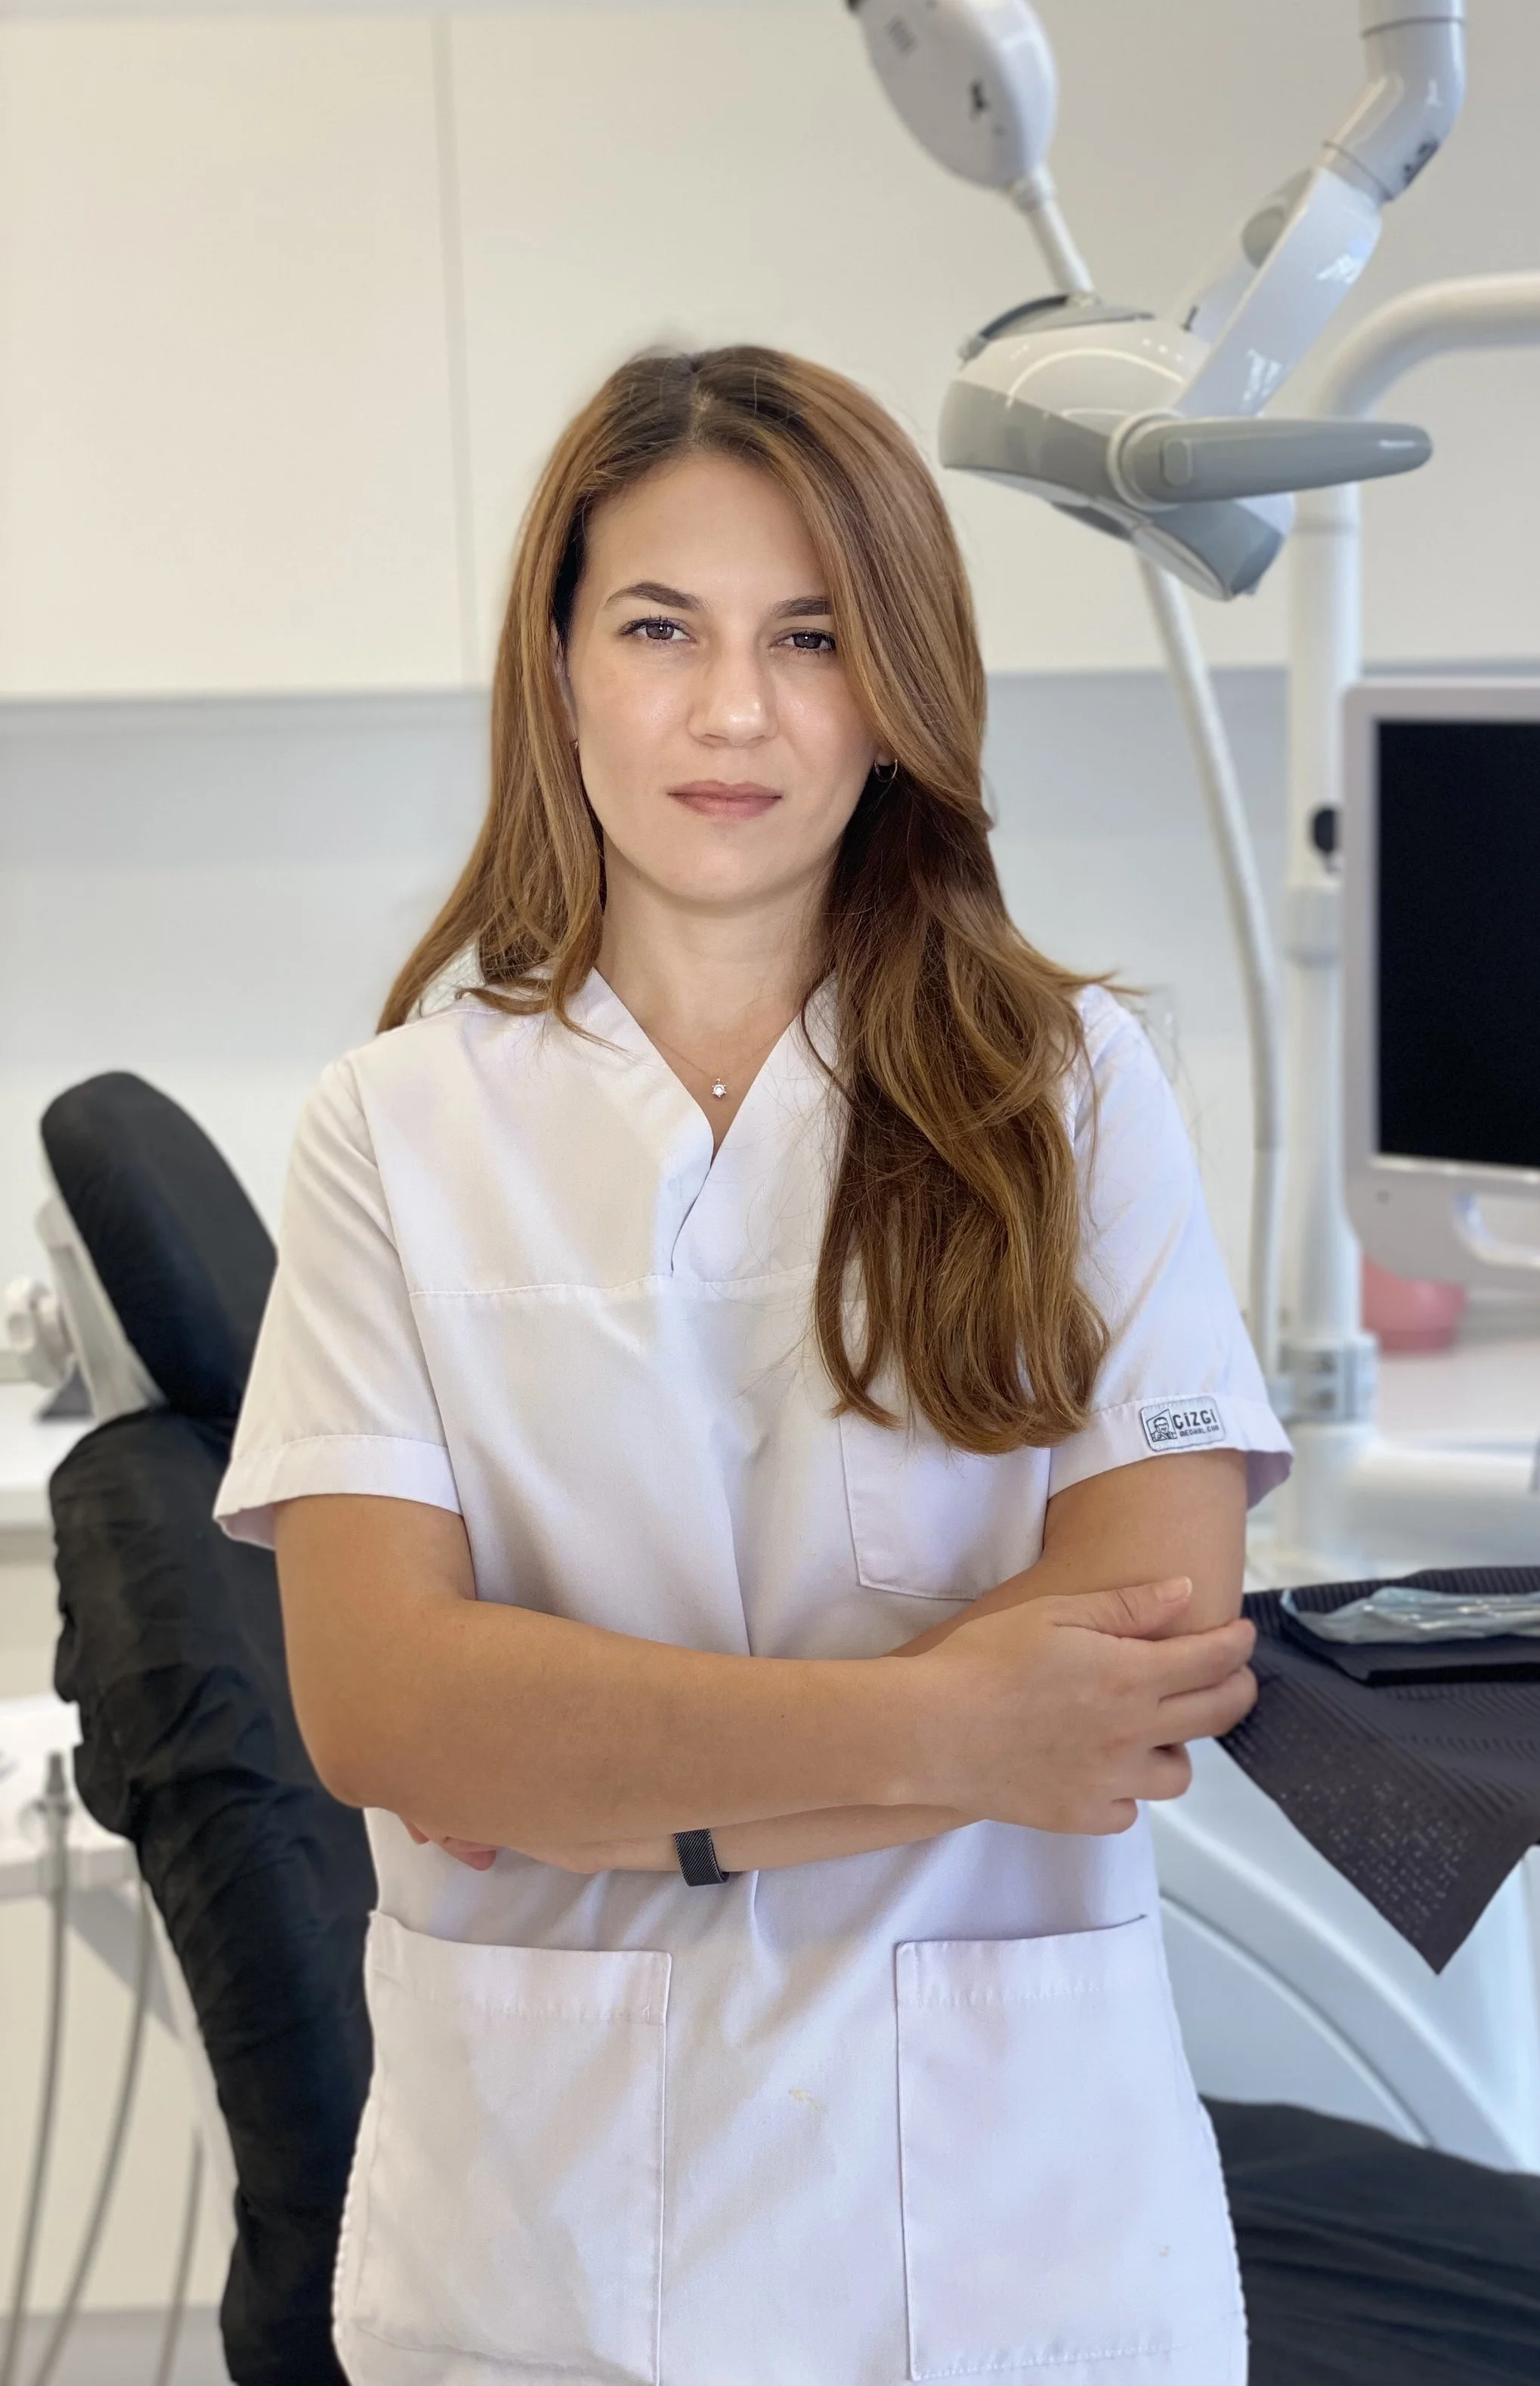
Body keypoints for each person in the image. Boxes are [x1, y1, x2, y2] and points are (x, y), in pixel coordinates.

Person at [216, 345, 1291, 2386]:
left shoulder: (1069, 1096)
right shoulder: (399, 1125)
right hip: (546, 2253)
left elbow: (1129, 1676)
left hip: (1007, 2236)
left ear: (896, 683)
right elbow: (385, 1710)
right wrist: (946, 1724)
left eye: (810, 635)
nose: (735, 710)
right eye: (661, 628)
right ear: (557, 670)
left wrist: (628, 1800)